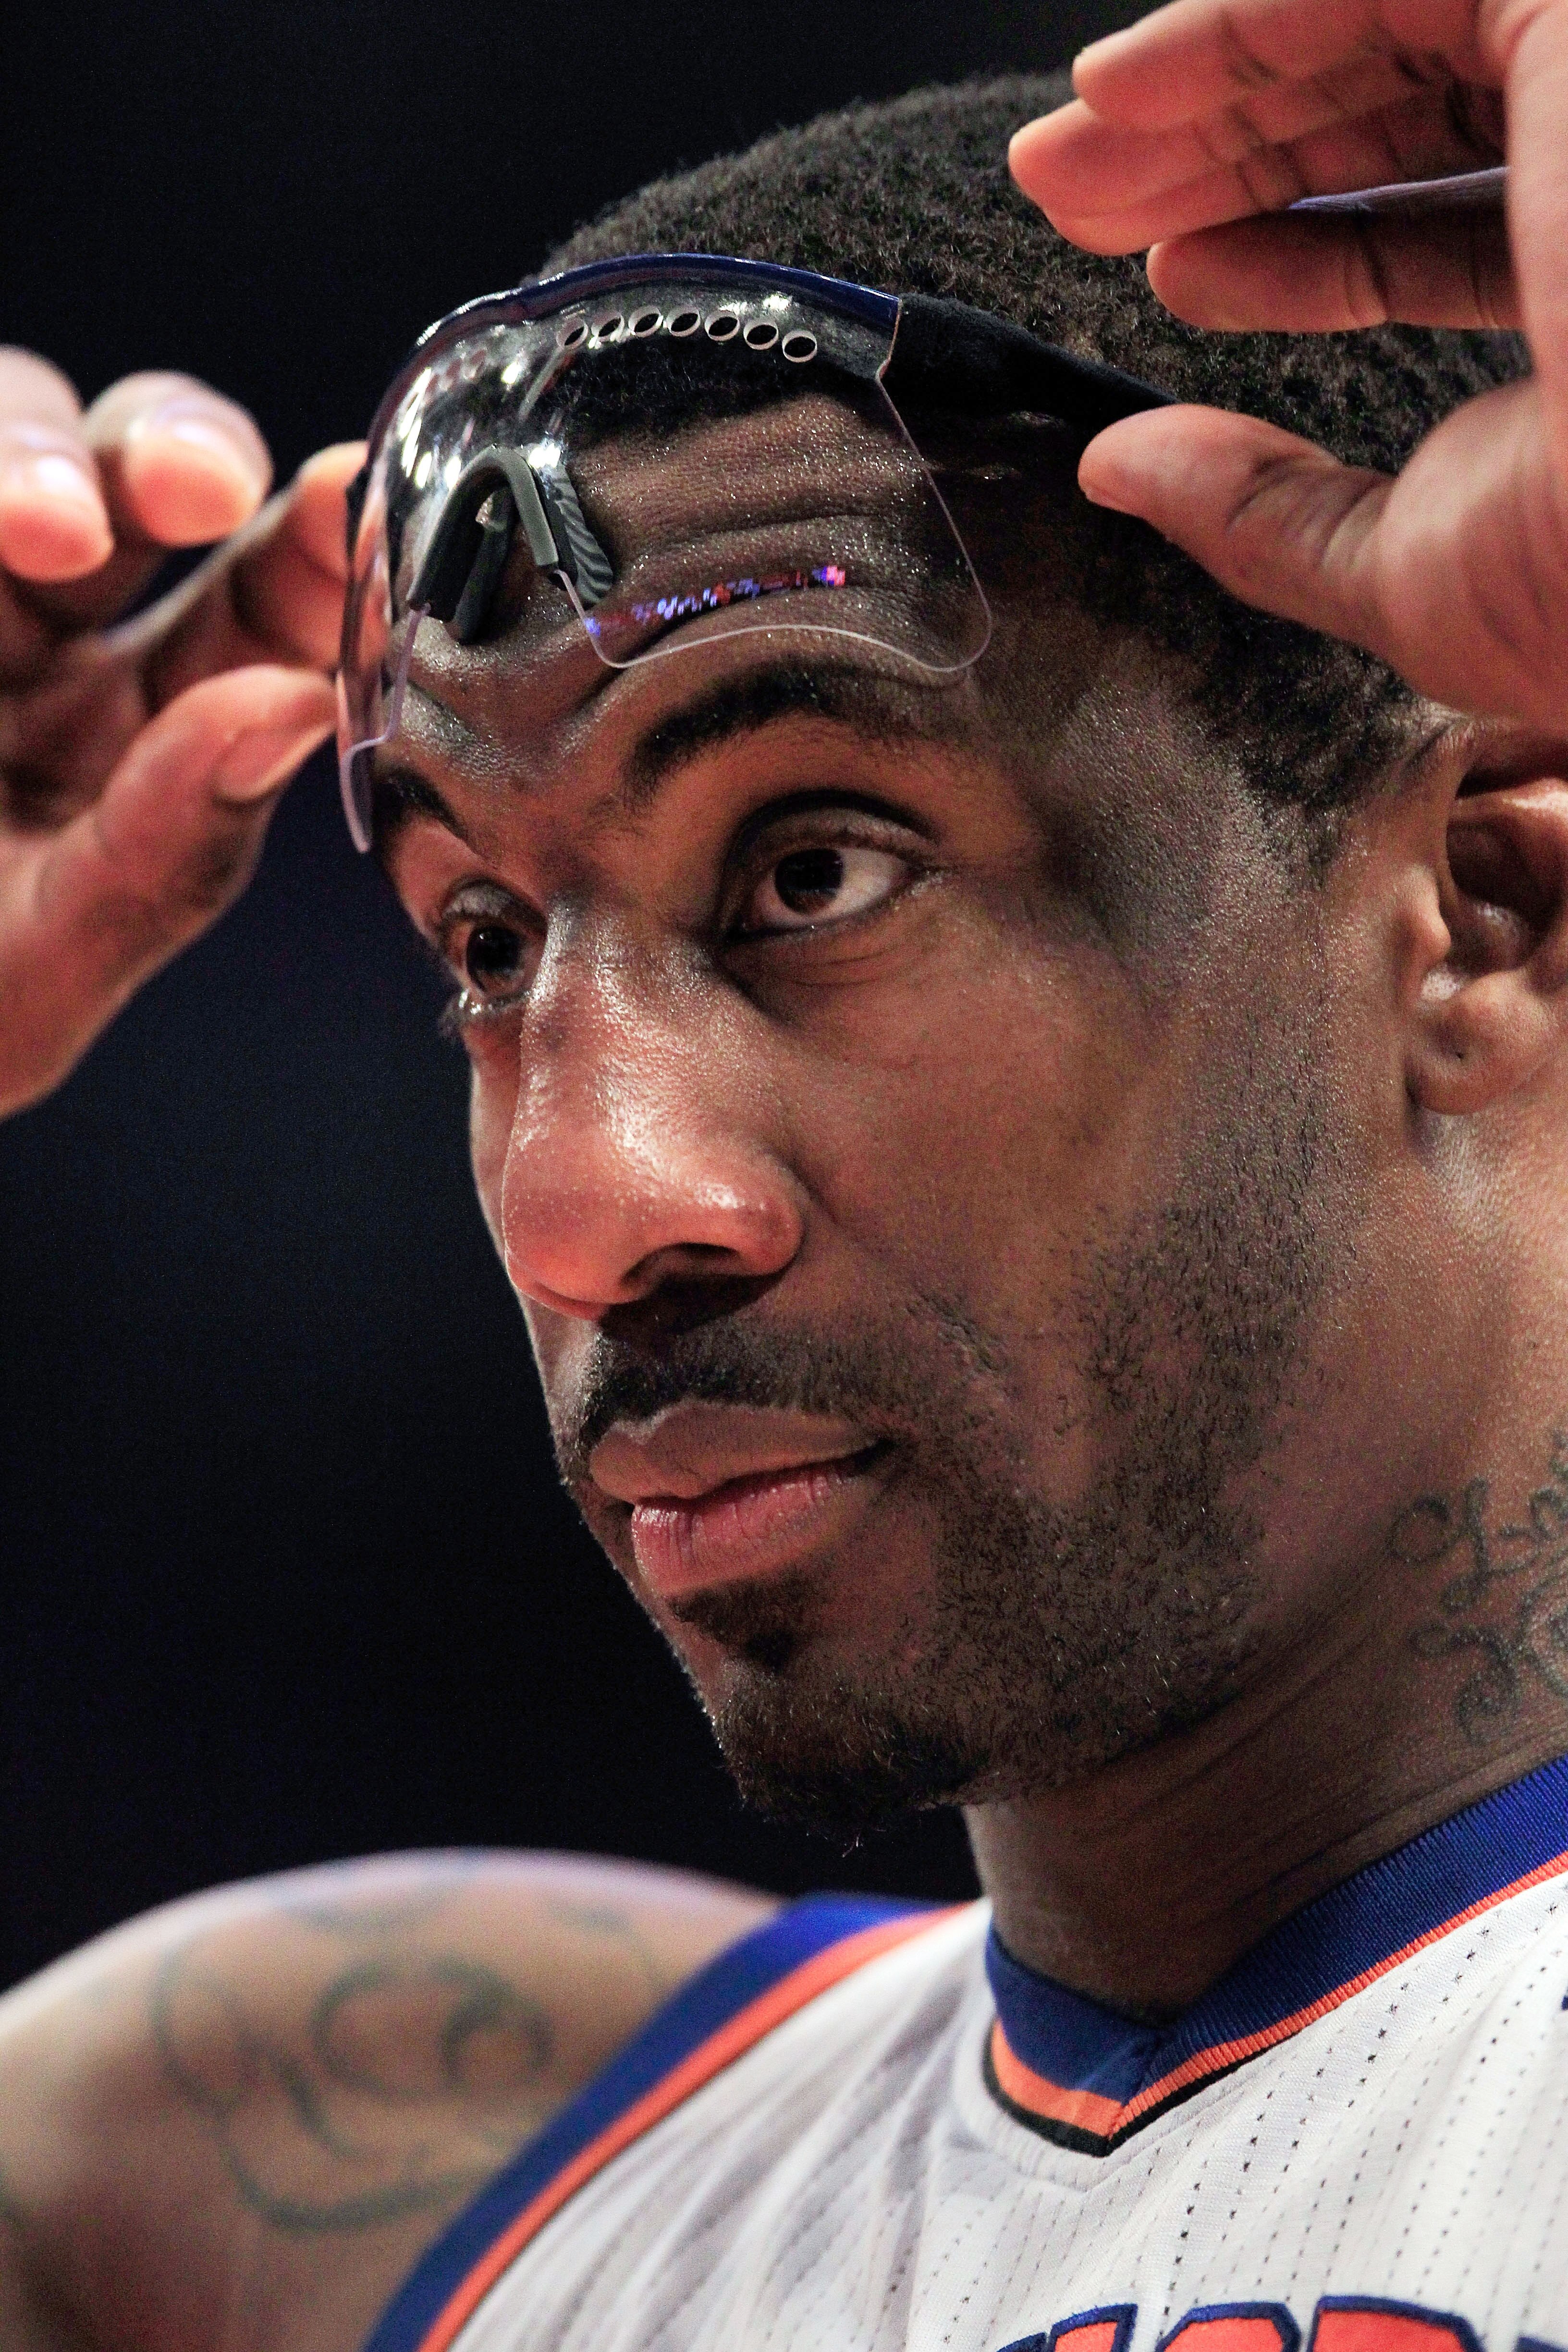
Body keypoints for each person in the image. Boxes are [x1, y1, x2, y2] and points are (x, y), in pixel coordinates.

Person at [0, 1, 1565, 2343]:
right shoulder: (273, 2188)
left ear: (1490, 917)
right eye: (489, 944)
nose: (579, 1197)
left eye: (816, 871)